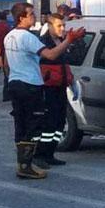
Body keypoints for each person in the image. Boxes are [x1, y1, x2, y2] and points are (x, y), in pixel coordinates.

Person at [5, 2, 85, 179]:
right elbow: (50, 55)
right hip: (30, 85)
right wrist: (69, 40)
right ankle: (27, 165)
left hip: (16, 83)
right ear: (21, 18)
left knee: (22, 124)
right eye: (31, 14)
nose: (34, 17)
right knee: (33, 125)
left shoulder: (9, 36)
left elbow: (6, 63)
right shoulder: (28, 37)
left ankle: (24, 164)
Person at [37, 13, 74, 168]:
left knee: (60, 122)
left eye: (63, 25)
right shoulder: (42, 42)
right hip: (48, 88)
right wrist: (67, 41)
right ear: (50, 26)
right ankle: (40, 154)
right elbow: (51, 57)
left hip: (61, 86)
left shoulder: (61, 40)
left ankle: (51, 153)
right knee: (49, 123)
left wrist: (73, 42)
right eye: (59, 25)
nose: (62, 28)